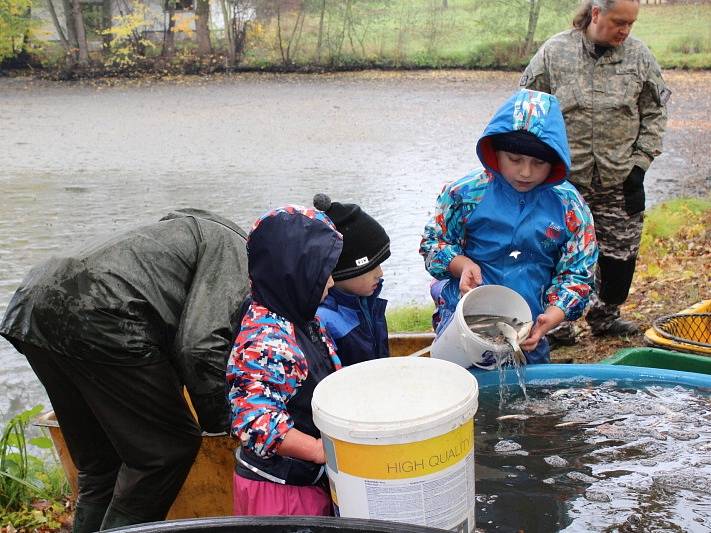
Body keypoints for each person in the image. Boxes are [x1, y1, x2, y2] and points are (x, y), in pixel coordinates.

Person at [0, 209, 249, 532]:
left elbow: (174, 335)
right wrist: (224, 425)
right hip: (99, 311)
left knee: (101, 464)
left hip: (32, 306)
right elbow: (199, 347)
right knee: (166, 450)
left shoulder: (173, 236)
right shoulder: (236, 249)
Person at [520, 0, 670, 341]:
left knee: (620, 258)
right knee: (558, 254)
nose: (626, 30)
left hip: (620, 179)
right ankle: (558, 324)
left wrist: (640, 164)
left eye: (631, 23)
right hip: (564, 182)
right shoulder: (554, 53)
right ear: (596, 13)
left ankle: (604, 317)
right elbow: (528, 109)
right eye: (619, 22)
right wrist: (536, 166)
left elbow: (656, 113)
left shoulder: (640, 57)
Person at [420, 89, 598, 365]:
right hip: (464, 314)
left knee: (529, 401)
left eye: (538, 163)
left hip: (527, 324)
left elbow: (578, 272)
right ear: (495, 152)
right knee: (458, 385)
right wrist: (462, 264)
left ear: (554, 162)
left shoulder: (569, 206)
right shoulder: (465, 194)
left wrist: (552, 316)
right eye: (514, 160)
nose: (525, 172)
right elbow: (434, 243)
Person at [227, 205, 343, 516]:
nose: (331, 283)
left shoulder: (294, 315)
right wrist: (320, 450)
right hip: (278, 495)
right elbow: (254, 419)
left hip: (305, 483)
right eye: (322, 274)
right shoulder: (265, 341)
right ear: (293, 275)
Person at [313, 193, 391, 366]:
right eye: (372, 267)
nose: (380, 273)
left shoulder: (366, 302)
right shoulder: (321, 320)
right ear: (341, 269)